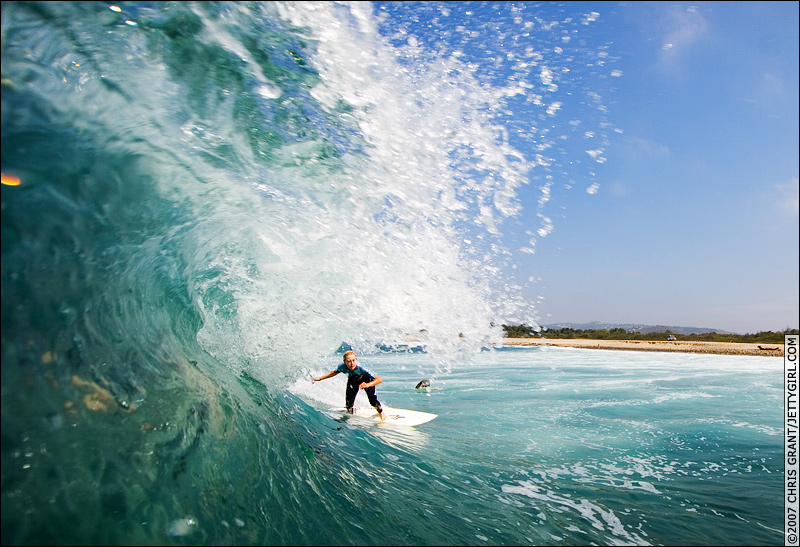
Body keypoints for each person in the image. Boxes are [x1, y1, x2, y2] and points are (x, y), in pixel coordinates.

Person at [313, 350, 387, 421]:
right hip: (353, 379)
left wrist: (367, 385)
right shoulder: (342, 367)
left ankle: (381, 412)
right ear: (345, 362)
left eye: (353, 360)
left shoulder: (361, 368)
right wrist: (320, 378)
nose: (352, 363)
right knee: (349, 403)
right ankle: (349, 417)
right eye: (349, 361)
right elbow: (333, 373)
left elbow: (379, 379)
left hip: (367, 379)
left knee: (372, 401)